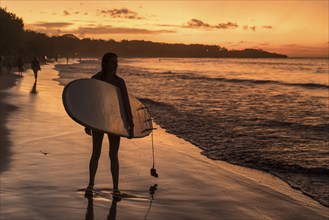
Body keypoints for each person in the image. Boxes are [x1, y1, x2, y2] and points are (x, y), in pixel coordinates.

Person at [85, 52, 134, 198]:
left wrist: (130, 125)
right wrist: (87, 123)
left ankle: (116, 189)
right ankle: (90, 185)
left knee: (113, 155)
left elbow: (125, 103)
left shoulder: (120, 82)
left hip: (114, 122)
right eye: (113, 62)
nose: (116, 65)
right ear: (106, 63)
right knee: (96, 154)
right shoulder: (95, 79)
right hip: (98, 121)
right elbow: (91, 103)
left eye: (117, 62)